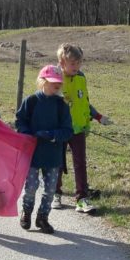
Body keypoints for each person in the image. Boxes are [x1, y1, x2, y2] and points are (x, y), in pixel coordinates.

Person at [14, 64, 73, 234]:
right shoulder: (31, 101)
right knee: (31, 187)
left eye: (59, 82)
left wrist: (52, 134)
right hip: (32, 154)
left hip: (53, 156)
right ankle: (27, 212)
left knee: (50, 189)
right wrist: (26, 133)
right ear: (43, 81)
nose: (57, 85)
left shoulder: (62, 105)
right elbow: (20, 120)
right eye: (53, 82)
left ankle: (43, 217)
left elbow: (68, 131)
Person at [53, 43, 112, 213]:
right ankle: (55, 193)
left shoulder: (81, 77)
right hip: (60, 128)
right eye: (73, 64)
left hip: (78, 128)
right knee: (57, 161)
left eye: (79, 63)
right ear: (62, 62)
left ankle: (82, 199)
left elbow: (84, 102)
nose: (76, 67)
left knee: (80, 163)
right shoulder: (56, 78)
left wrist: (98, 116)